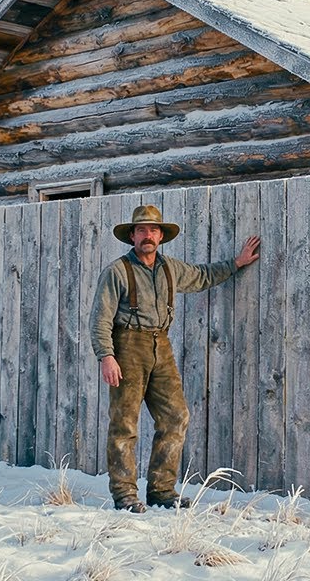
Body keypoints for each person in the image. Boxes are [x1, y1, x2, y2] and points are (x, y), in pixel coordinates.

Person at [90, 204, 260, 512]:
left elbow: (203, 276)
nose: (148, 235)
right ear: (132, 236)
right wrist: (106, 356)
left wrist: (237, 263)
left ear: (161, 236)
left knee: (176, 416)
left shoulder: (171, 268)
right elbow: (100, 318)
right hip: (128, 346)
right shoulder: (117, 271)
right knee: (124, 424)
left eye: (153, 230)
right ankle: (125, 495)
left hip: (162, 346)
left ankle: (162, 491)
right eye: (141, 230)